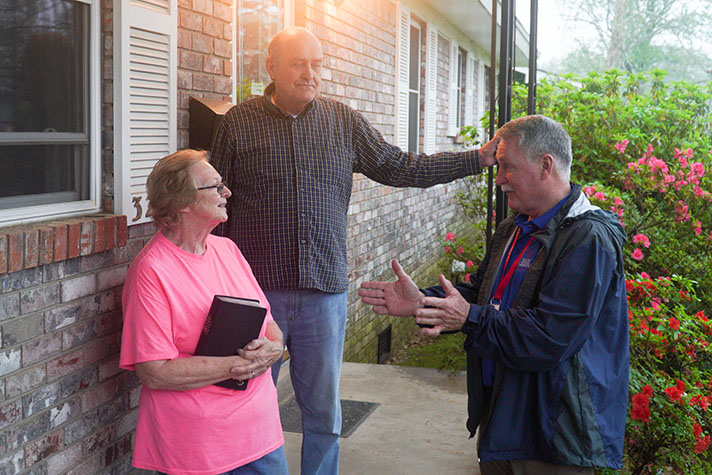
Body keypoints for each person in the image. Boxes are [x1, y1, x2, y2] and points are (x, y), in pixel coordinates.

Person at [210, 26, 499, 474]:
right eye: (298, 63)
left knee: (323, 414)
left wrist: (473, 160)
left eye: (317, 64)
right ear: (271, 67)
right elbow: (215, 207)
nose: (311, 73)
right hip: (256, 295)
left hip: (323, 294)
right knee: (249, 404)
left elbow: (401, 166)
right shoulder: (237, 125)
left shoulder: (343, 121)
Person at [359, 115, 629, 474]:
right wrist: (424, 302)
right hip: (503, 420)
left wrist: (467, 317)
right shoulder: (515, 227)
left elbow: (550, 337)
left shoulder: (587, 239)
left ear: (545, 165)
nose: (499, 179)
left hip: (551, 437)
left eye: (507, 167)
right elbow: (479, 295)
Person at [119, 149, 289, 475]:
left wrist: (272, 347)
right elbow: (155, 371)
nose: (227, 192)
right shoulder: (152, 271)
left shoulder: (227, 250)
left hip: (260, 433)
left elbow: (269, 324)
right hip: (199, 446)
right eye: (215, 186)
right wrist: (241, 365)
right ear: (182, 203)